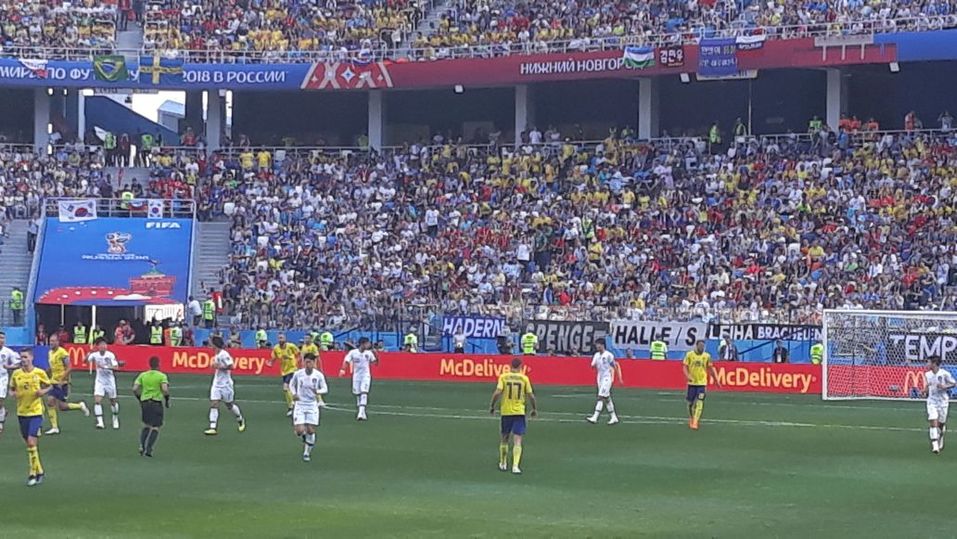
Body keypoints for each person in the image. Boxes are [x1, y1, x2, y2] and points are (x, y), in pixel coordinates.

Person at [9, 350, 51, 486]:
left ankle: (32, 473)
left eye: (25, 357)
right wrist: (13, 394)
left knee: (32, 442)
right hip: (22, 412)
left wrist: (42, 391)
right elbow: (11, 389)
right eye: (22, 357)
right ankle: (40, 471)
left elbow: (49, 386)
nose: (23, 360)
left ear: (31, 358)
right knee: (29, 444)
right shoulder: (16, 374)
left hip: (36, 412)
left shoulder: (39, 373)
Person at [489, 358, 537, 474]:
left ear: (510, 366)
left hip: (506, 411)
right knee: (517, 440)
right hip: (519, 411)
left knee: (504, 438)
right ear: (520, 366)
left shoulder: (504, 377)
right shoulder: (524, 378)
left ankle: (503, 463)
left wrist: (492, 405)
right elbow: (531, 395)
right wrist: (534, 408)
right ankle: (515, 466)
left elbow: (497, 392)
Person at [44, 334, 90, 435]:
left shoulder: (63, 353)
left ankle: (79, 405)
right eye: (50, 341)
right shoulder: (50, 353)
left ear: (58, 342)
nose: (51, 343)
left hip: (62, 383)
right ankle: (54, 427)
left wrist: (62, 380)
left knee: (62, 406)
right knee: (50, 401)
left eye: (53, 341)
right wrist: (46, 373)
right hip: (53, 382)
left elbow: (69, 367)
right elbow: (52, 367)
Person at [289, 353, 328, 462]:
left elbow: (325, 388)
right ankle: (304, 436)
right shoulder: (298, 374)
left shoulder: (318, 375)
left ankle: (306, 453)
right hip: (300, 404)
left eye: (309, 362)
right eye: (305, 362)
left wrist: (318, 391)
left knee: (311, 430)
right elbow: (291, 385)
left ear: (314, 363)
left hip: (312, 405)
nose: (307, 364)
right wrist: (294, 394)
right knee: (299, 431)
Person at [205, 336, 246, 435]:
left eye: (211, 343)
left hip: (226, 385)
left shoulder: (224, 354)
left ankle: (240, 418)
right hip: (216, 384)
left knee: (229, 405)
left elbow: (232, 366)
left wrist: (219, 366)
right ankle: (213, 427)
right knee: (214, 404)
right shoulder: (216, 355)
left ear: (215, 344)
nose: (210, 345)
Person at [133, 356, 170, 457]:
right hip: (156, 402)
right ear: (158, 364)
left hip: (145, 402)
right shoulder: (161, 376)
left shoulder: (143, 375)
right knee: (155, 427)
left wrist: (139, 398)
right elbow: (165, 389)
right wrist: (167, 399)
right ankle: (149, 448)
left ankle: (142, 445)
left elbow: (135, 388)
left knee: (146, 424)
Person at [87, 338, 124, 430]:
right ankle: (100, 422)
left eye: (104, 344)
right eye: (101, 344)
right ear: (98, 346)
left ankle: (115, 418)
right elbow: (85, 360)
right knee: (97, 401)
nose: (103, 346)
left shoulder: (110, 355)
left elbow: (116, 367)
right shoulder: (95, 355)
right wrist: (89, 353)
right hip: (100, 381)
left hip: (110, 381)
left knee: (113, 401)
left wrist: (105, 367)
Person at [683, 340, 720, 430]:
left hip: (702, 383)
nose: (702, 348)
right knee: (690, 403)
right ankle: (691, 418)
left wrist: (716, 380)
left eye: (703, 346)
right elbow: (684, 367)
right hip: (692, 383)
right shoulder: (689, 355)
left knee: (700, 401)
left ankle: (696, 421)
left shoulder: (707, 356)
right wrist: (688, 376)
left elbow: (711, 369)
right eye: (700, 346)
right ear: (696, 346)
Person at [339, 337, 378, 421]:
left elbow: (374, 363)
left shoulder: (369, 353)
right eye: (367, 343)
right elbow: (346, 361)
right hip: (356, 376)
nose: (369, 345)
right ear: (363, 344)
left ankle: (360, 413)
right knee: (357, 394)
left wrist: (376, 355)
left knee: (364, 392)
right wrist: (342, 370)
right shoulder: (353, 352)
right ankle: (362, 412)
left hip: (366, 376)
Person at [923, 356, 956, 454]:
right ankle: (935, 445)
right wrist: (925, 390)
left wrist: (944, 386)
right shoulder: (927, 374)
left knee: (941, 424)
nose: (927, 364)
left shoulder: (944, 374)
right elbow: (928, 386)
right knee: (933, 422)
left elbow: (954, 384)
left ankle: (940, 436)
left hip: (943, 402)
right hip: (932, 401)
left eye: (928, 362)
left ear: (934, 364)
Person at [586, 341, 622, 425]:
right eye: (596, 345)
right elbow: (592, 365)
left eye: (598, 345)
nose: (597, 347)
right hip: (600, 378)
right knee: (607, 398)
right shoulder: (596, 355)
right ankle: (614, 417)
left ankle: (595, 417)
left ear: (602, 345)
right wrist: (594, 365)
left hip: (607, 378)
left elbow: (614, 365)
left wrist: (619, 378)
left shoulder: (609, 355)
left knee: (600, 397)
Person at [269, 332, 300, 417]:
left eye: (282, 338)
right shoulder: (276, 348)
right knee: (287, 389)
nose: (280, 339)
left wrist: (296, 362)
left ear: (285, 339)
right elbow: (274, 357)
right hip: (284, 371)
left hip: (292, 369)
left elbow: (298, 354)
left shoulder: (291, 346)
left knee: (286, 387)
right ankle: (291, 405)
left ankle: (292, 404)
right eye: (279, 338)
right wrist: (271, 362)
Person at [0, 330, 23, 434]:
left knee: (0, 399)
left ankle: (0, 422)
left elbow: (18, 364)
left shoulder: (8, 351)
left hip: (2, 378)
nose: (1, 340)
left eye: (2, 338)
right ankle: (3, 411)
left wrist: (9, 367)